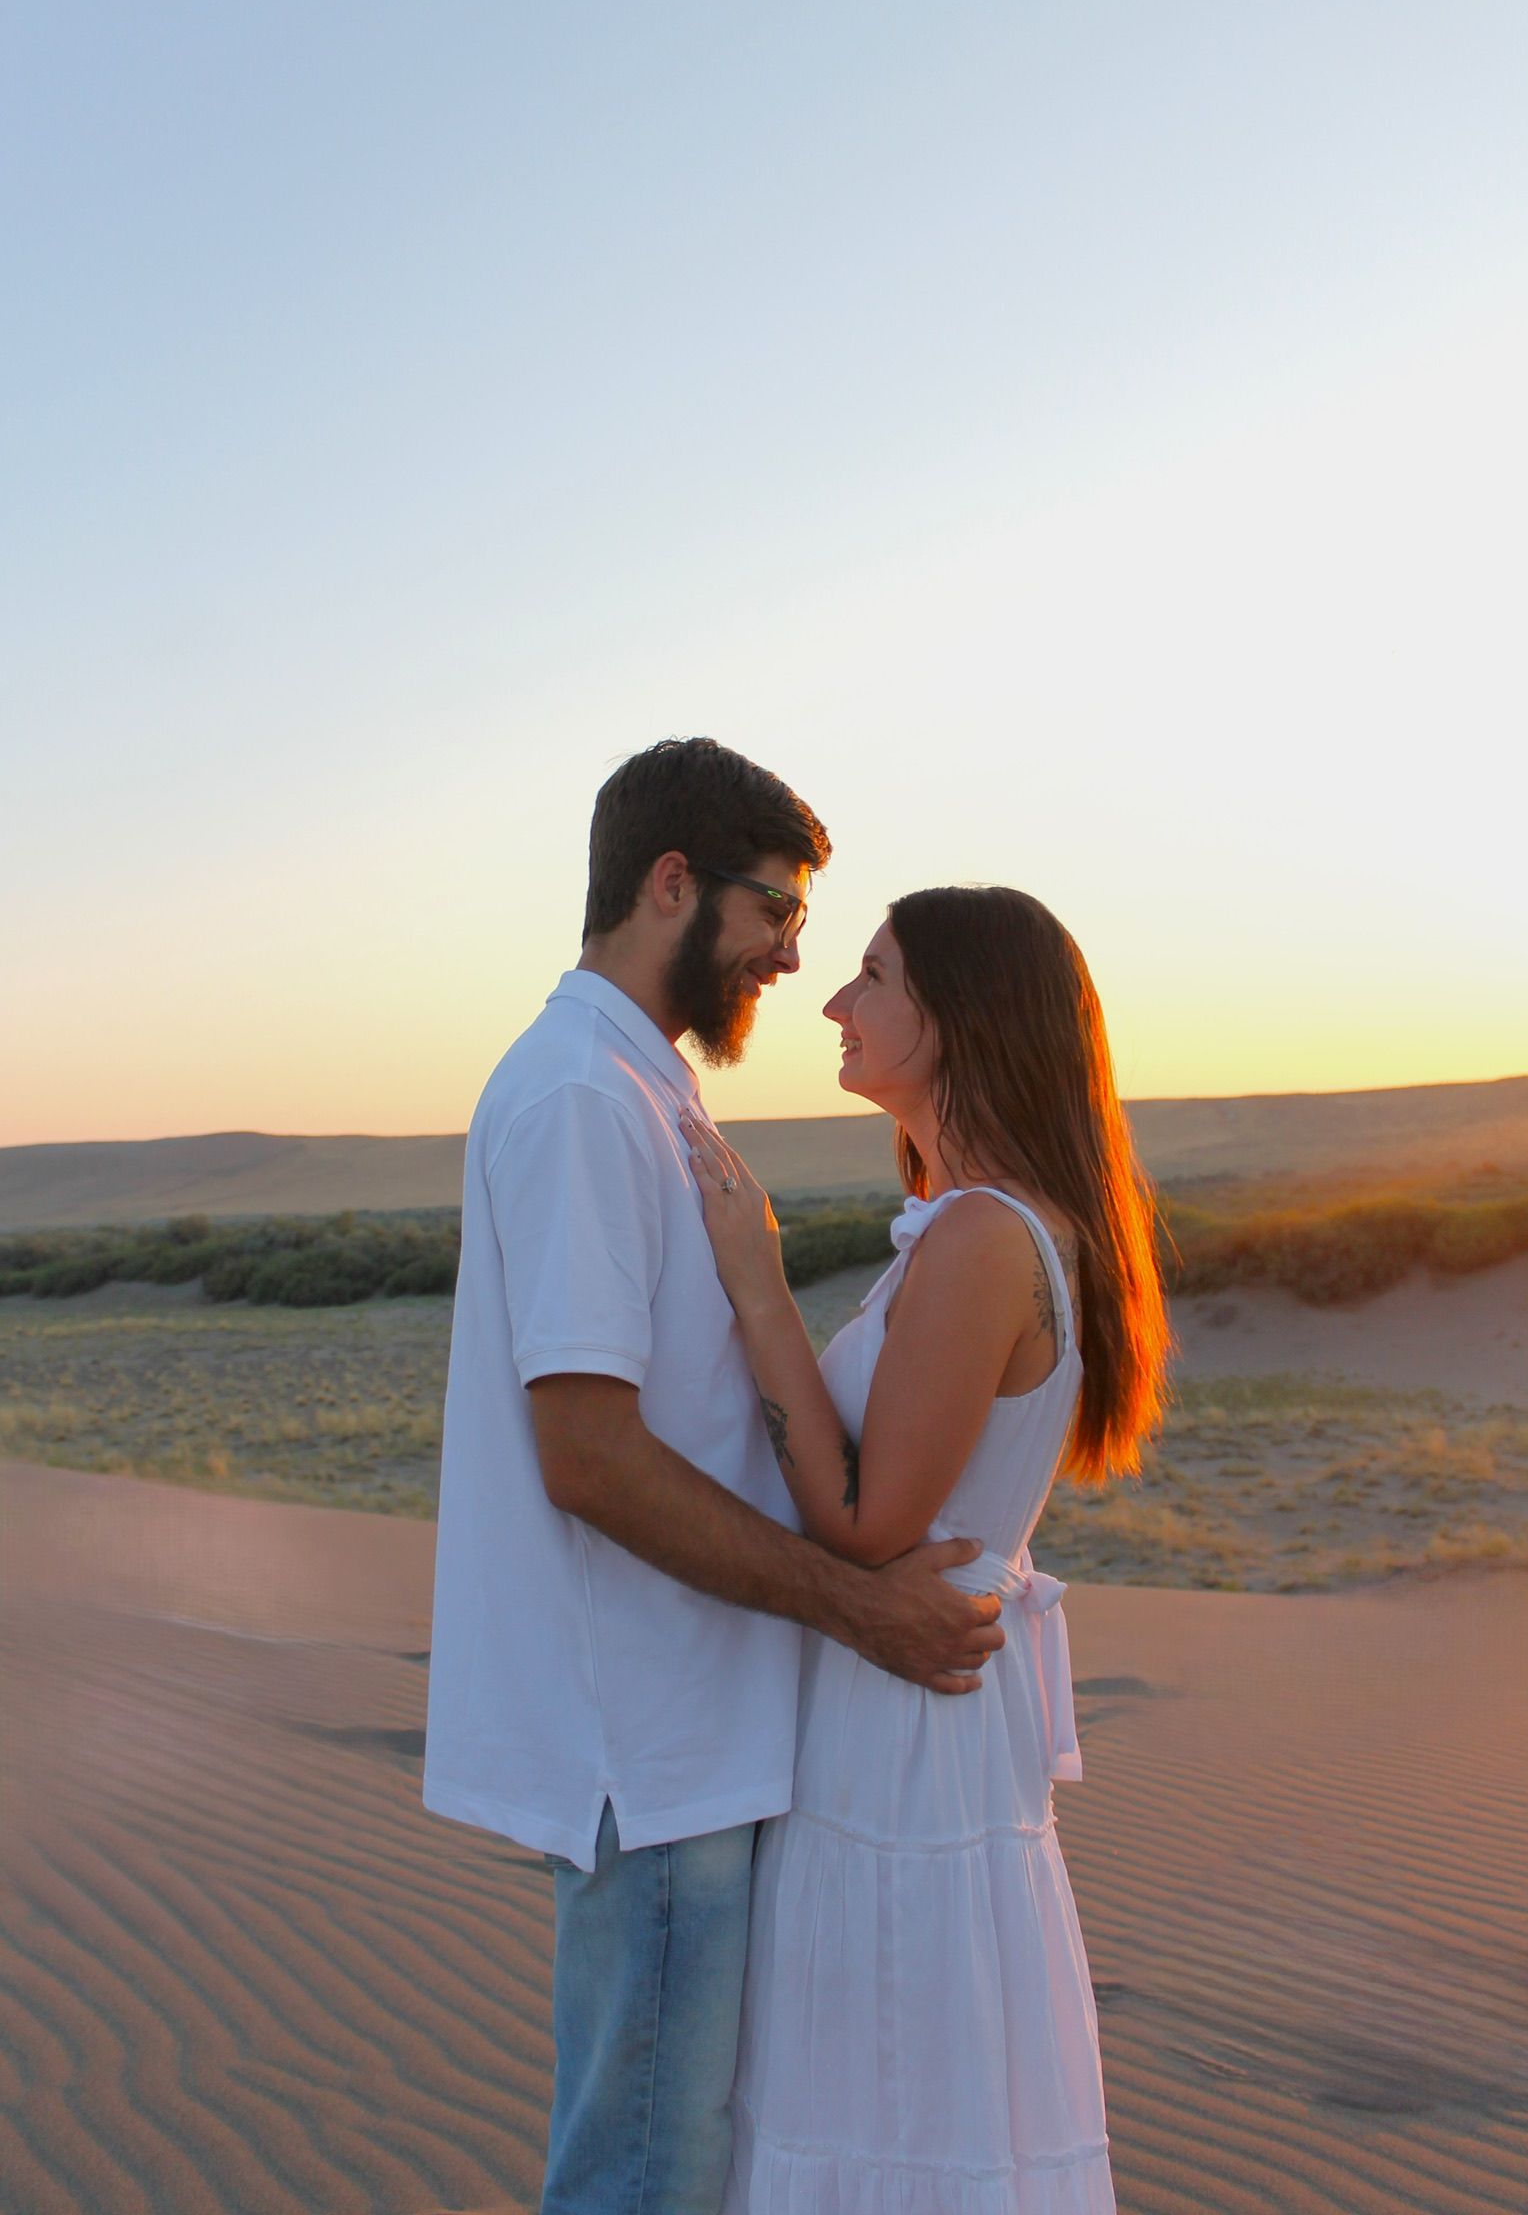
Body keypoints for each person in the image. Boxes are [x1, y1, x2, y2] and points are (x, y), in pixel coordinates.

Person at [423, 740, 1006, 2215]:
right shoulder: (582, 1097)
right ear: (672, 884)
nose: (793, 958)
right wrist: (859, 1609)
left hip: (695, 1738)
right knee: (643, 2179)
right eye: (776, 911)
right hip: (653, 1747)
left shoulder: (640, 1083)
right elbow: (588, 1455)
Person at [680, 884, 1170, 2215]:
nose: (836, 1004)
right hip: (915, 1704)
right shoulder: (987, 1225)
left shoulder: (984, 1236)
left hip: (906, 1723)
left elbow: (864, 1523)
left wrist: (756, 1282)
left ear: (958, 1015)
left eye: (874, 975)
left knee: (887, 2088)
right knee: (900, 2088)